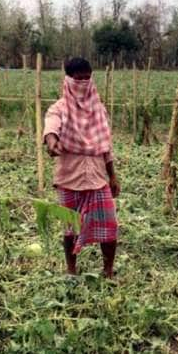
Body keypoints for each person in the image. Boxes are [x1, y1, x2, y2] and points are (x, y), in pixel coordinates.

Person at [43, 57, 120, 279]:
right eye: (79, 79)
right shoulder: (59, 108)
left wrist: (112, 176)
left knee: (109, 226)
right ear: (68, 80)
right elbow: (51, 128)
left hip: (97, 177)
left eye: (88, 78)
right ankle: (71, 270)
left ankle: (108, 270)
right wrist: (51, 141)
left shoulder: (99, 110)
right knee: (70, 228)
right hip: (70, 177)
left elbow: (106, 145)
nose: (84, 83)